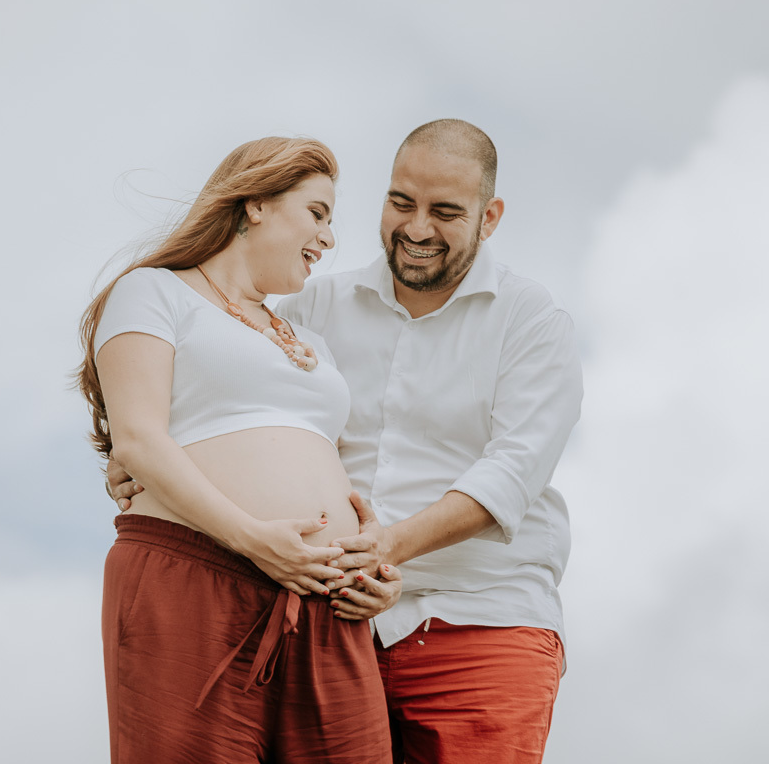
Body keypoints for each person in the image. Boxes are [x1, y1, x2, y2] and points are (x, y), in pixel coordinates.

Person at [109, 120, 583, 764]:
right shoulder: (310, 306)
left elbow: (514, 471)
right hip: (332, 613)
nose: (417, 228)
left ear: (489, 217)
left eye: (445, 212)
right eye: (400, 203)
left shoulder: (530, 320)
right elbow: (220, 391)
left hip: (477, 619)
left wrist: (387, 549)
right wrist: (135, 452)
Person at [78, 137, 401, 764]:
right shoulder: (154, 293)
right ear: (256, 203)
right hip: (197, 577)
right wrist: (255, 538)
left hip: (326, 600)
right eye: (317, 212)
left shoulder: (309, 342)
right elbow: (140, 439)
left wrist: (376, 561)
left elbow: (325, 463)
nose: (329, 238)